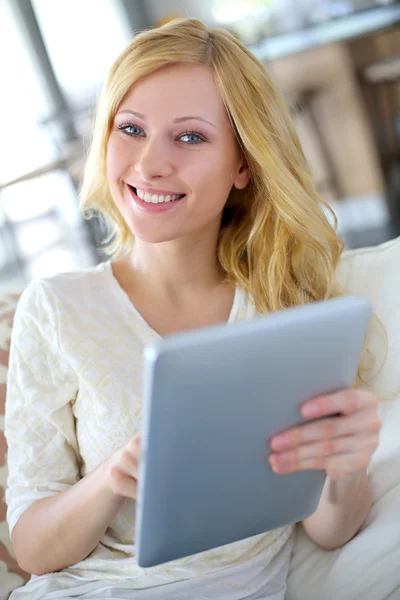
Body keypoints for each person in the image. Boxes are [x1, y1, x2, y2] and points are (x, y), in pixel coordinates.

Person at [5, 18, 381, 600]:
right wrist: (111, 479)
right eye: (130, 129)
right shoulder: (58, 307)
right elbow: (31, 549)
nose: (149, 164)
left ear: (243, 166)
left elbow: (329, 530)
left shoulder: (284, 308)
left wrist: (347, 465)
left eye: (189, 137)